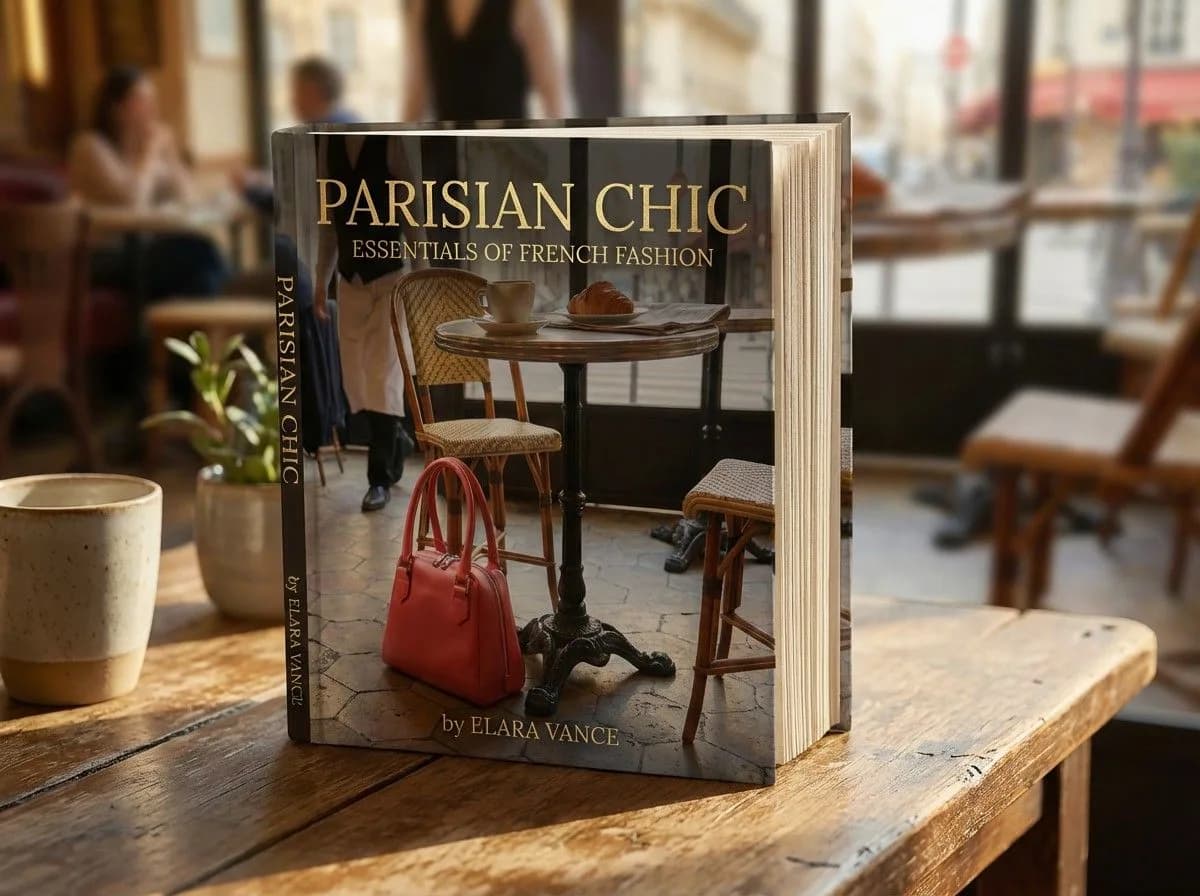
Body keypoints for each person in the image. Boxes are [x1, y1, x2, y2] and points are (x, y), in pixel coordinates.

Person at [314, 135, 419, 513]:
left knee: (384, 375)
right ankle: (399, 443)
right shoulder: (328, 144)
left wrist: (422, 278)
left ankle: (378, 480)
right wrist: (319, 281)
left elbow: (412, 213)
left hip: (391, 278)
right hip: (349, 281)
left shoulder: (390, 141)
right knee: (357, 378)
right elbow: (329, 222)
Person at [67, 66, 227, 299]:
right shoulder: (90, 146)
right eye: (142, 100)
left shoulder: (141, 151)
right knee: (198, 255)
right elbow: (133, 203)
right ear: (116, 108)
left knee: (202, 258)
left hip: (140, 251)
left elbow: (187, 199)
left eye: (153, 100)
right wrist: (151, 153)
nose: (152, 109)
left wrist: (171, 156)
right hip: (102, 257)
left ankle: (215, 329)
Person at [403, 0, 567, 121]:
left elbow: (554, 99)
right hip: (446, 158)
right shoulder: (422, 6)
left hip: (508, 157)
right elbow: (415, 99)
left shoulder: (527, 4)